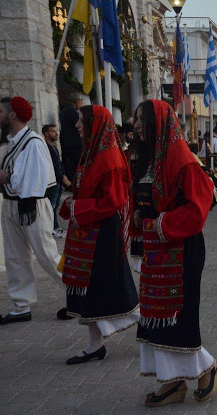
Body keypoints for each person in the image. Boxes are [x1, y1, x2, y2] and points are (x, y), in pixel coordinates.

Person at [132, 100, 217, 407]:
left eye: (143, 119)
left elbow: (197, 211)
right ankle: (172, 382)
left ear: (159, 122)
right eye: (136, 120)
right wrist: (138, 217)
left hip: (182, 250)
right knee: (157, 318)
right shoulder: (148, 159)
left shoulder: (184, 160)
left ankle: (207, 368)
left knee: (178, 320)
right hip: (156, 253)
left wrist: (161, 224)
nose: (138, 126)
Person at [59, 105, 139, 364]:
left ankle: (155, 325)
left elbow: (113, 201)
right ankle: (95, 344)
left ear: (94, 124)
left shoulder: (109, 159)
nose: (77, 125)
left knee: (107, 289)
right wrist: (73, 203)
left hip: (101, 234)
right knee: (91, 291)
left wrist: (79, 207)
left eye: (81, 121)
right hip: (88, 230)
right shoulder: (91, 153)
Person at [0, 97, 69, 324]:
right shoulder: (9, 142)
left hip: (32, 205)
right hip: (11, 203)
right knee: (15, 256)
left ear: (12, 115)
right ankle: (21, 306)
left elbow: (34, 180)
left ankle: (80, 293)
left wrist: (7, 177)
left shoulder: (34, 142)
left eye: (1, 111)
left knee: (48, 255)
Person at [43, 124, 71, 238]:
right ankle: (51, 228)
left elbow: (59, 164)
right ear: (46, 133)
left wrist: (64, 175)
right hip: (52, 182)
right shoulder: (45, 148)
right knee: (51, 207)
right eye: (53, 131)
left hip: (58, 181)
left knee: (54, 206)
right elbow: (52, 166)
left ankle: (56, 227)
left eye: (56, 131)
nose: (56, 133)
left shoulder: (53, 147)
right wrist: (62, 177)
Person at [59, 93, 84, 181]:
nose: (82, 103)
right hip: (75, 143)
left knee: (69, 165)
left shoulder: (63, 111)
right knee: (76, 165)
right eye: (81, 101)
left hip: (66, 143)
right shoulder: (73, 112)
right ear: (77, 101)